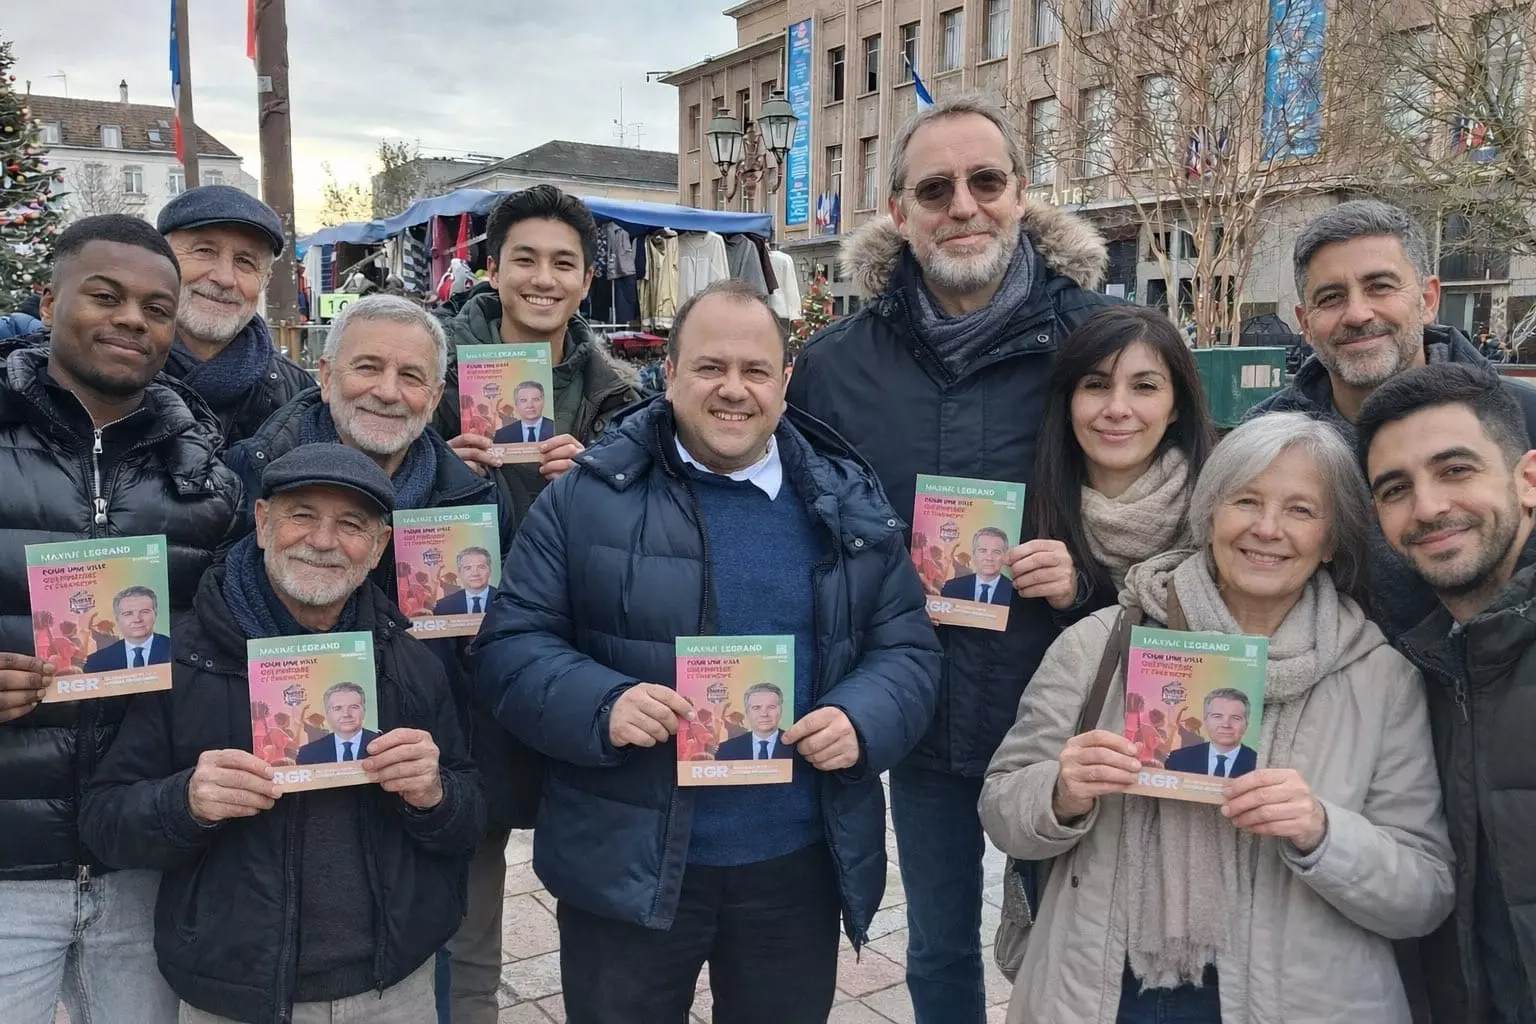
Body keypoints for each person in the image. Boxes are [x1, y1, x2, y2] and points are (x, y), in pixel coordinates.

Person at [472, 281, 942, 1023]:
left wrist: (861, 716)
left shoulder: (849, 501)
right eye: (709, 368)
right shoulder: (586, 497)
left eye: (756, 370)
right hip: (627, 863)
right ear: (668, 371)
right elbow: (508, 646)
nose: (733, 390)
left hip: (795, 865)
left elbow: (908, 650)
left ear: (785, 380)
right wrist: (602, 702)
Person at [784, 94, 1117, 1022]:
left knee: (1074, 943)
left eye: (985, 181)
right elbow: (794, 523)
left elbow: (1168, 513)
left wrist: (1084, 574)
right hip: (920, 712)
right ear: (899, 210)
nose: (962, 205)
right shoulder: (837, 363)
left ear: (1021, 196)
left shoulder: (1098, 344)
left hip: (1065, 707)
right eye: (936, 188)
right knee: (935, 944)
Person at [979, 412, 1453, 1023]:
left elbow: (1425, 893)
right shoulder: (1102, 643)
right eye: (1245, 501)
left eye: (1302, 511)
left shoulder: (1380, 678)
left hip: (1298, 1002)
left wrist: (1321, 831)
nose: (1267, 528)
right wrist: (1062, 792)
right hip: (1101, 994)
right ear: (1208, 516)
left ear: (1333, 539)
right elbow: (1001, 809)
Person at [78, 444, 483, 1024]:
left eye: (350, 525)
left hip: (393, 987)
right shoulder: (184, 659)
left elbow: (468, 815)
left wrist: (435, 796)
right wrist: (185, 801)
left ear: (378, 549)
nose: (323, 541)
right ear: (263, 523)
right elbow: (104, 820)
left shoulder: (409, 661)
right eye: (301, 515)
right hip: (237, 993)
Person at [223, 294, 524, 1024]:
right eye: (367, 367)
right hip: (281, 790)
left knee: (462, 964)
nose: (388, 391)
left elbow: (512, 634)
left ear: (436, 396)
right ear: (324, 376)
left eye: (411, 375)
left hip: (435, 783)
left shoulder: (476, 495)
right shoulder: (248, 478)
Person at [0, 215, 242, 1022]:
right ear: (50, 297)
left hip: (142, 862)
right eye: (104, 296)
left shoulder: (201, 473)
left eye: (155, 308)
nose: (132, 319)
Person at [1245, 199, 1536, 641]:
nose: (1358, 313)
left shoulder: (1525, 417)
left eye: (1380, 286)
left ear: (1428, 299)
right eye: (1331, 297)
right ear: (1305, 323)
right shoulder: (1260, 443)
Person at [1357, 363, 1536, 1022]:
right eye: (1396, 488)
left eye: (1456, 470)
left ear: (1529, 479)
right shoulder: (1409, 675)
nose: (1428, 508)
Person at [434, 185, 644, 533]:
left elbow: (642, 530)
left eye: (563, 264)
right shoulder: (428, 380)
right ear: (495, 271)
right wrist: (433, 471)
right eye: (525, 260)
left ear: (587, 280)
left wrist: (599, 489)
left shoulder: (621, 403)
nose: (544, 280)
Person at [1030, 305, 1216, 615]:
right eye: (1097, 385)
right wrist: (1073, 598)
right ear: (1068, 401)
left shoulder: (1223, 516)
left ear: (1176, 406)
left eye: (1144, 387)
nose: (1117, 409)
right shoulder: (1026, 514)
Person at [156, 185, 314, 447]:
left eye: (245, 262)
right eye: (204, 251)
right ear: (162, 259)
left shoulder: (299, 399)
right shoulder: (113, 374)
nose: (225, 278)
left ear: (265, 281)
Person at [1161, 689, 1257, 779]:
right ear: (1205, 721)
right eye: (1217, 716)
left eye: (1236, 718)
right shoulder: (1178, 759)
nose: (1226, 725)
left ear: (1246, 724)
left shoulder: (1260, 763)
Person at [81, 585, 171, 671]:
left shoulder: (177, 650)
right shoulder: (97, 662)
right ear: (117, 618)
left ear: (155, 614)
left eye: (144, 612)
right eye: (128, 614)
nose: (137, 619)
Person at [295, 682, 382, 764]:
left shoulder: (384, 746)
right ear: (327, 713)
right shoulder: (308, 754)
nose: (346, 714)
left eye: (353, 707)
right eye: (338, 708)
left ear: (364, 711)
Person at [714, 683, 795, 760]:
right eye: (756, 708)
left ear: (780, 710)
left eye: (771, 707)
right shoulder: (726, 750)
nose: (764, 714)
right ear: (747, 712)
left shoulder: (798, 748)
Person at [940, 527, 1014, 605]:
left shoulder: (1016, 594)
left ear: (1005, 557)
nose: (989, 558)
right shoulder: (951, 588)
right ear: (974, 554)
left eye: (996, 552)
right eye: (983, 551)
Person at [492, 380, 556, 444]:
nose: (530, 405)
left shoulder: (558, 429)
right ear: (516, 405)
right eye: (523, 400)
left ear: (543, 402)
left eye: (535, 399)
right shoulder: (502, 435)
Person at [434, 547, 493, 615]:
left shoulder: (504, 600)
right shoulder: (443, 606)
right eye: (468, 568)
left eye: (481, 567)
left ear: (490, 570)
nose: (475, 573)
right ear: (459, 572)